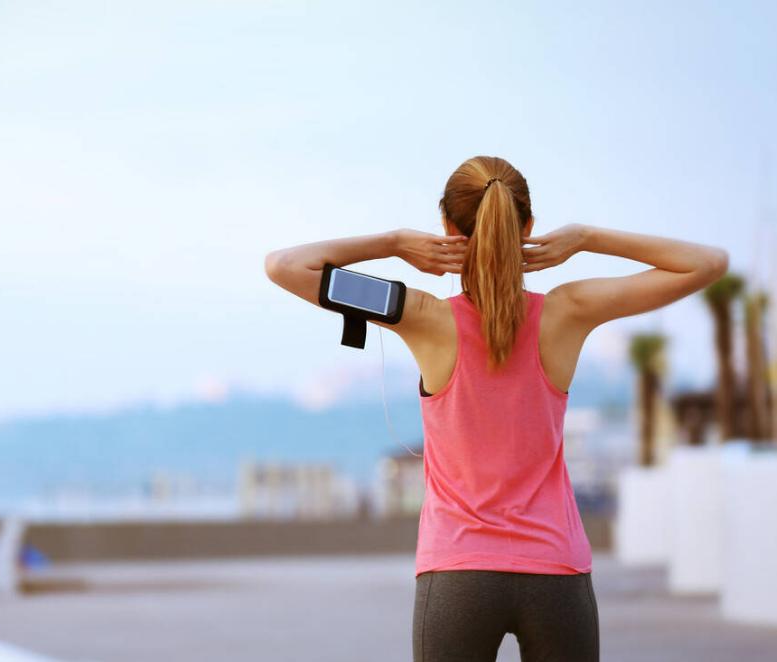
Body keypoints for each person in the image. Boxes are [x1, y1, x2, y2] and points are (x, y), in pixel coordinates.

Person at [263, 155, 728, 662]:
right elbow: (707, 263)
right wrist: (586, 238)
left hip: (457, 575)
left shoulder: (420, 316)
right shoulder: (569, 311)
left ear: (447, 228)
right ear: (527, 226)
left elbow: (285, 266)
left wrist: (396, 244)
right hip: (556, 575)